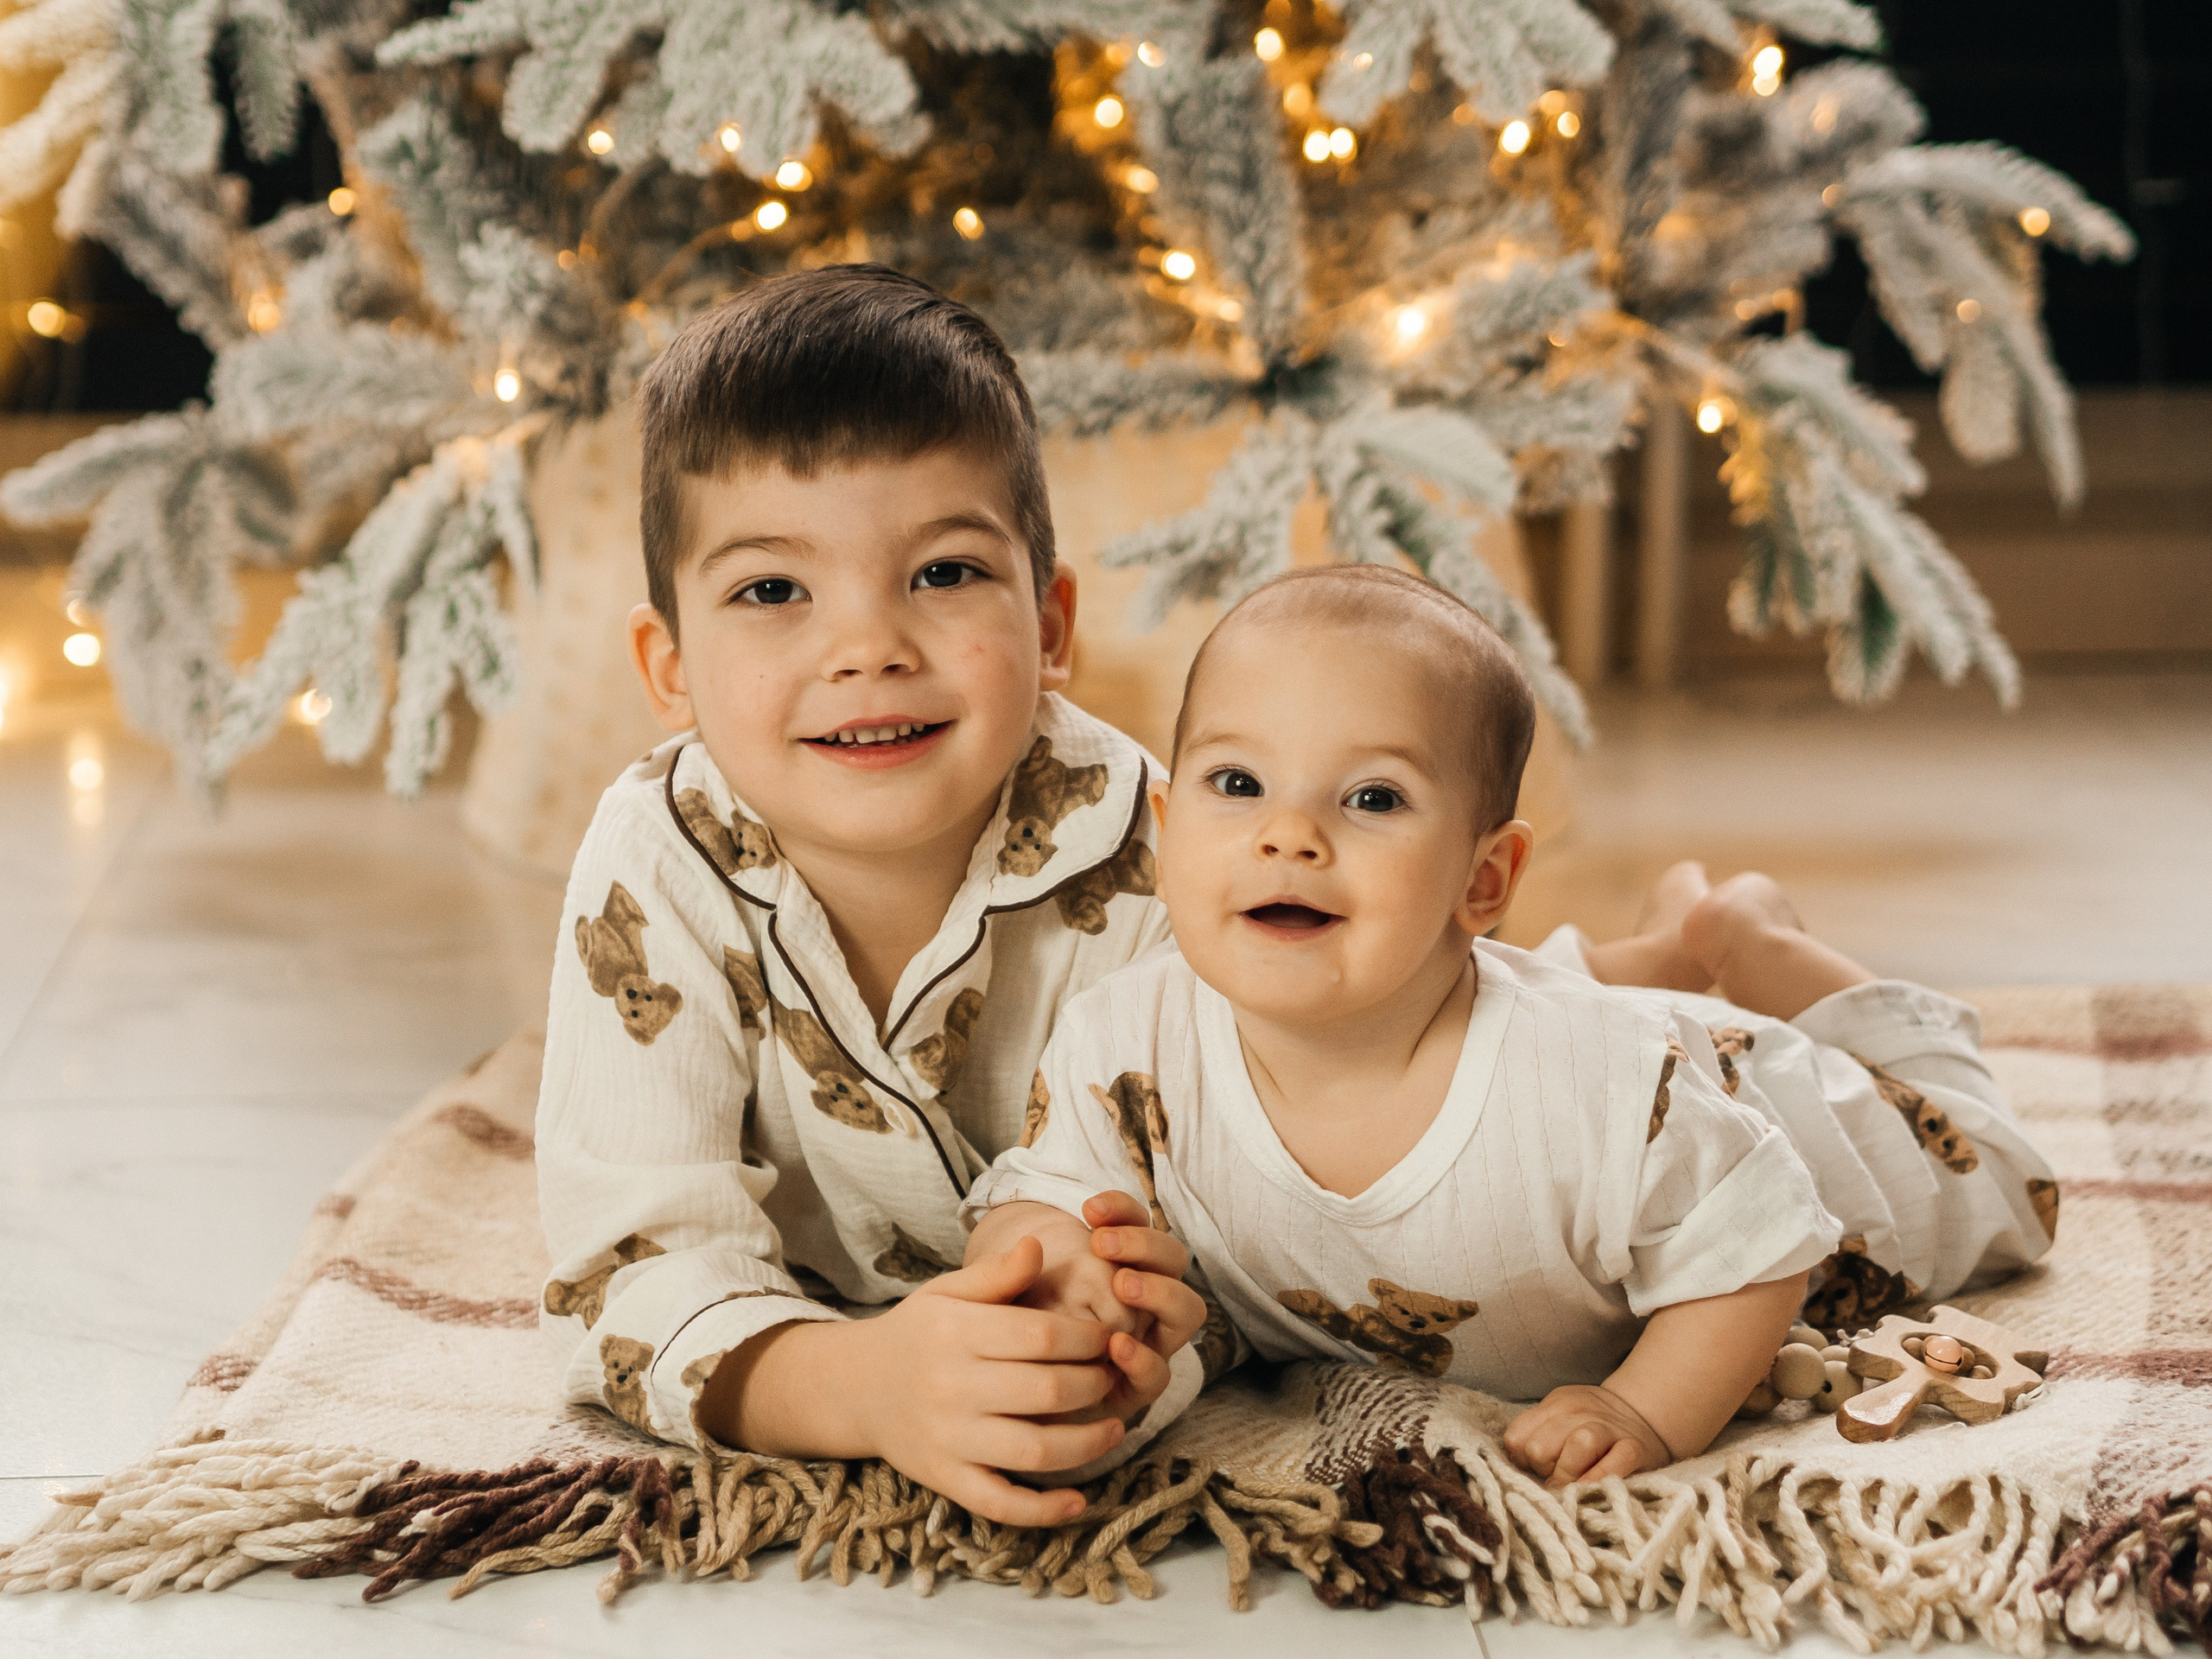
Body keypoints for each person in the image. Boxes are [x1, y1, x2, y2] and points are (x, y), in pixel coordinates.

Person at [965, 564, 2057, 1488]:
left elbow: (1761, 1251)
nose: (1287, 835)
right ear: (1166, 834)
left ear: (1485, 878)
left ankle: (1744, 933)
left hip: (1778, 1108)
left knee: (2006, 1179)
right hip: (1528, 1018)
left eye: (1373, 798)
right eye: (1238, 782)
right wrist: (1057, 1273)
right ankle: (1660, 943)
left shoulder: (1593, 1084)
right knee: (1435, 979)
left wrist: (1644, 1411)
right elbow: (1046, 1195)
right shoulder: (1121, 1038)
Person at [536, 265, 1209, 1529]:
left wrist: (1106, 1333)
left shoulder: (1156, 846)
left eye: (944, 574)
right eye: (771, 591)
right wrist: (856, 1387)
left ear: (1051, 625)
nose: (868, 649)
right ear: (669, 668)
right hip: (818, 1313)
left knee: (1463, 1020)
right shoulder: (655, 860)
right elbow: (627, 1272)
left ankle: (1608, 966)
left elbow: (1233, 1213)